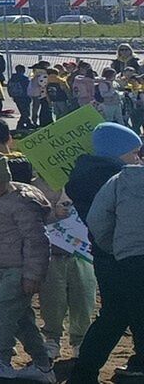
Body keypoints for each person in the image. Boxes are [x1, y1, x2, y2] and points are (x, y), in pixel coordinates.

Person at [0, 150, 55, 382]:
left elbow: (37, 240)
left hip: (20, 269)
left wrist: (32, 275)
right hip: (6, 268)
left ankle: (2, 360)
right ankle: (43, 365)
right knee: (21, 320)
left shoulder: (22, 202)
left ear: (4, 176)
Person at [69, 122, 144, 383]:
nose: (138, 157)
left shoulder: (85, 174)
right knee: (132, 315)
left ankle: (84, 372)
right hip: (124, 254)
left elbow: (97, 220)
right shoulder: (121, 178)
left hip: (109, 256)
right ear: (118, 151)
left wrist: (112, 246)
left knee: (114, 315)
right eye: (134, 151)